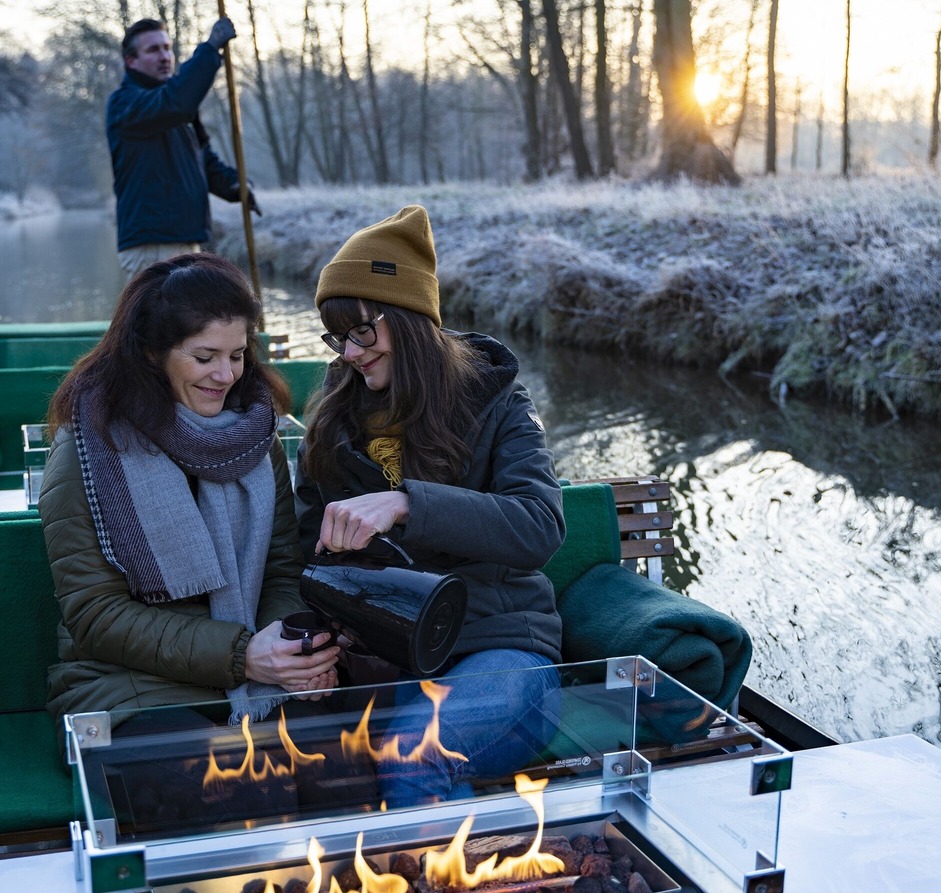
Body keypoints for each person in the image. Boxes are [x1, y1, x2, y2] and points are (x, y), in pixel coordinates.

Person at [294, 205, 566, 807]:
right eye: (338, 337)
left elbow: (540, 526)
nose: (349, 353)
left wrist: (406, 504)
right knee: (311, 774)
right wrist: (318, 637)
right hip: (390, 659)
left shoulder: (499, 402)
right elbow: (306, 551)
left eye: (362, 332)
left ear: (409, 319)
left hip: (503, 651)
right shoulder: (333, 419)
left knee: (412, 757)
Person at [39, 252, 339, 732]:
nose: (226, 375)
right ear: (150, 354)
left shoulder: (256, 439)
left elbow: (281, 572)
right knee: (207, 774)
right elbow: (96, 616)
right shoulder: (88, 450)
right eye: (204, 358)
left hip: (256, 675)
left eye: (237, 355)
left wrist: (287, 649)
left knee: (340, 756)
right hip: (126, 687)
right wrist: (243, 656)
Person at [106, 18, 260, 279]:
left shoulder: (174, 107)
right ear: (131, 61)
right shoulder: (126, 104)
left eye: (167, 48)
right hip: (153, 246)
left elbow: (202, 160)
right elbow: (177, 101)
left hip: (183, 241)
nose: (165, 57)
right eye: (153, 50)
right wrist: (209, 49)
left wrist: (234, 184)